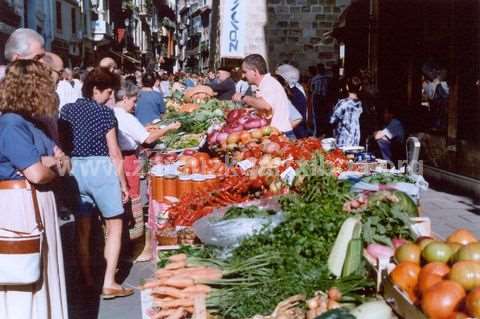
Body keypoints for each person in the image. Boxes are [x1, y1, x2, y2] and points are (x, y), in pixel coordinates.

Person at [0, 59, 68, 319]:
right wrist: (51, 164)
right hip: (21, 207)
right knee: (25, 276)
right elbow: (38, 173)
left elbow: (63, 162)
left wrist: (52, 163)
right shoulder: (11, 124)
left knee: (42, 274)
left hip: (35, 204)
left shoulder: (32, 123)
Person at [58, 67, 133, 299]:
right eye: (108, 92)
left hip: (76, 169)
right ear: (96, 90)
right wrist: (123, 184)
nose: (110, 97)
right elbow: (114, 151)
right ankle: (109, 282)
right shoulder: (105, 114)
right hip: (101, 168)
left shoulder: (67, 110)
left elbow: (63, 143)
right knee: (114, 225)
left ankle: (87, 278)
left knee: (83, 228)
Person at [113, 81, 180, 262]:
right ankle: (134, 247)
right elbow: (148, 139)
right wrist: (167, 128)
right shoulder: (126, 117)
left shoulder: (113, 113)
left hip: (119, 158)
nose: (135, 106)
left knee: (122, 199)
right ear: (125, 99)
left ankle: (124, 245)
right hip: (128, 160)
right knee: (133, 199)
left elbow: (136, 133)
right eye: (133, 101)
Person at [232, 54, 295, 139]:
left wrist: (243, 97)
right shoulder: (265, 83)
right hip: (275, 133)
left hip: (281, 134)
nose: (243, 76)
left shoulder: (268, 83)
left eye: (244, 72)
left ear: (254, 71)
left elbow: (266, 105)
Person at [275, 64, 309, 138]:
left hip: (296, 133)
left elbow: (297, 119)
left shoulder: (294, 94)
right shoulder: (295, 90)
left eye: (277, 78)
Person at [329, 76, 363, 147]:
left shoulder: (342, 103)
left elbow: (332, 120)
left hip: (342, 141)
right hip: (356, 140)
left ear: (347, 87)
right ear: (360, 88)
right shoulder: (362, 104)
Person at [310, 64, 330, 137]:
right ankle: (324, 131)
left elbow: (312, 89)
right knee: (324, 115)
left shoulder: (315, 78)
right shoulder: (327, 78)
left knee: (316, 115)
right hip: (325, 98)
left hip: (317, 97)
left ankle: (317, 132)